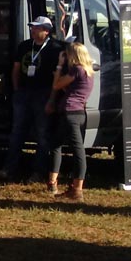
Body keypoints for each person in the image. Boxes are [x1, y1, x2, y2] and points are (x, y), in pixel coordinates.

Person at [0, 16, 63, 181]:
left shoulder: (56, 48)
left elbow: (58, 75)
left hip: (44, 94)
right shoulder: (25, 45)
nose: (33, 30)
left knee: (42, 133)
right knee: (17, 132)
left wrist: (52, 99)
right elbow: (16, 68)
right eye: (32, 27)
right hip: (23, 94)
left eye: (37, 28)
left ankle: (38, 172)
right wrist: (16, 89)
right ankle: (9, 169)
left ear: (46, 31)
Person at [46, 42, 94, 201]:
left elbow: (57, 85)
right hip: (80, 112)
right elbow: (73, 89)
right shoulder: (88, 72)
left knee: (78, 150)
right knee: (56, 144)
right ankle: (52, 181)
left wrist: (59, 67)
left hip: (70, 112)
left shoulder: (76, 69)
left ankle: (77, 188)